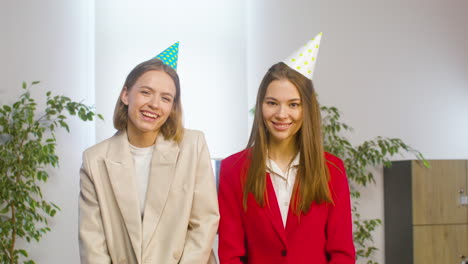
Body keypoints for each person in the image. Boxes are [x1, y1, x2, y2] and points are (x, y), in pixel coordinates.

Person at [218, 34, 355, 263]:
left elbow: (342, 252)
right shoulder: (233, 169)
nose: (282, 114)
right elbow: (231, 253)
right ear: (261, 105)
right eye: (272, 103)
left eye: (293, 104)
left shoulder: (332, 169)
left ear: (306, 109)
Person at [79, 43, 219, 264]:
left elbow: (204, 223)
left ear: (172, 107)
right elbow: (93, 242)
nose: (154, 104)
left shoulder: (193, 145)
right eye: (146, 92)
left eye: (165, 98)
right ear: (126, 95)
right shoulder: (95, 159)